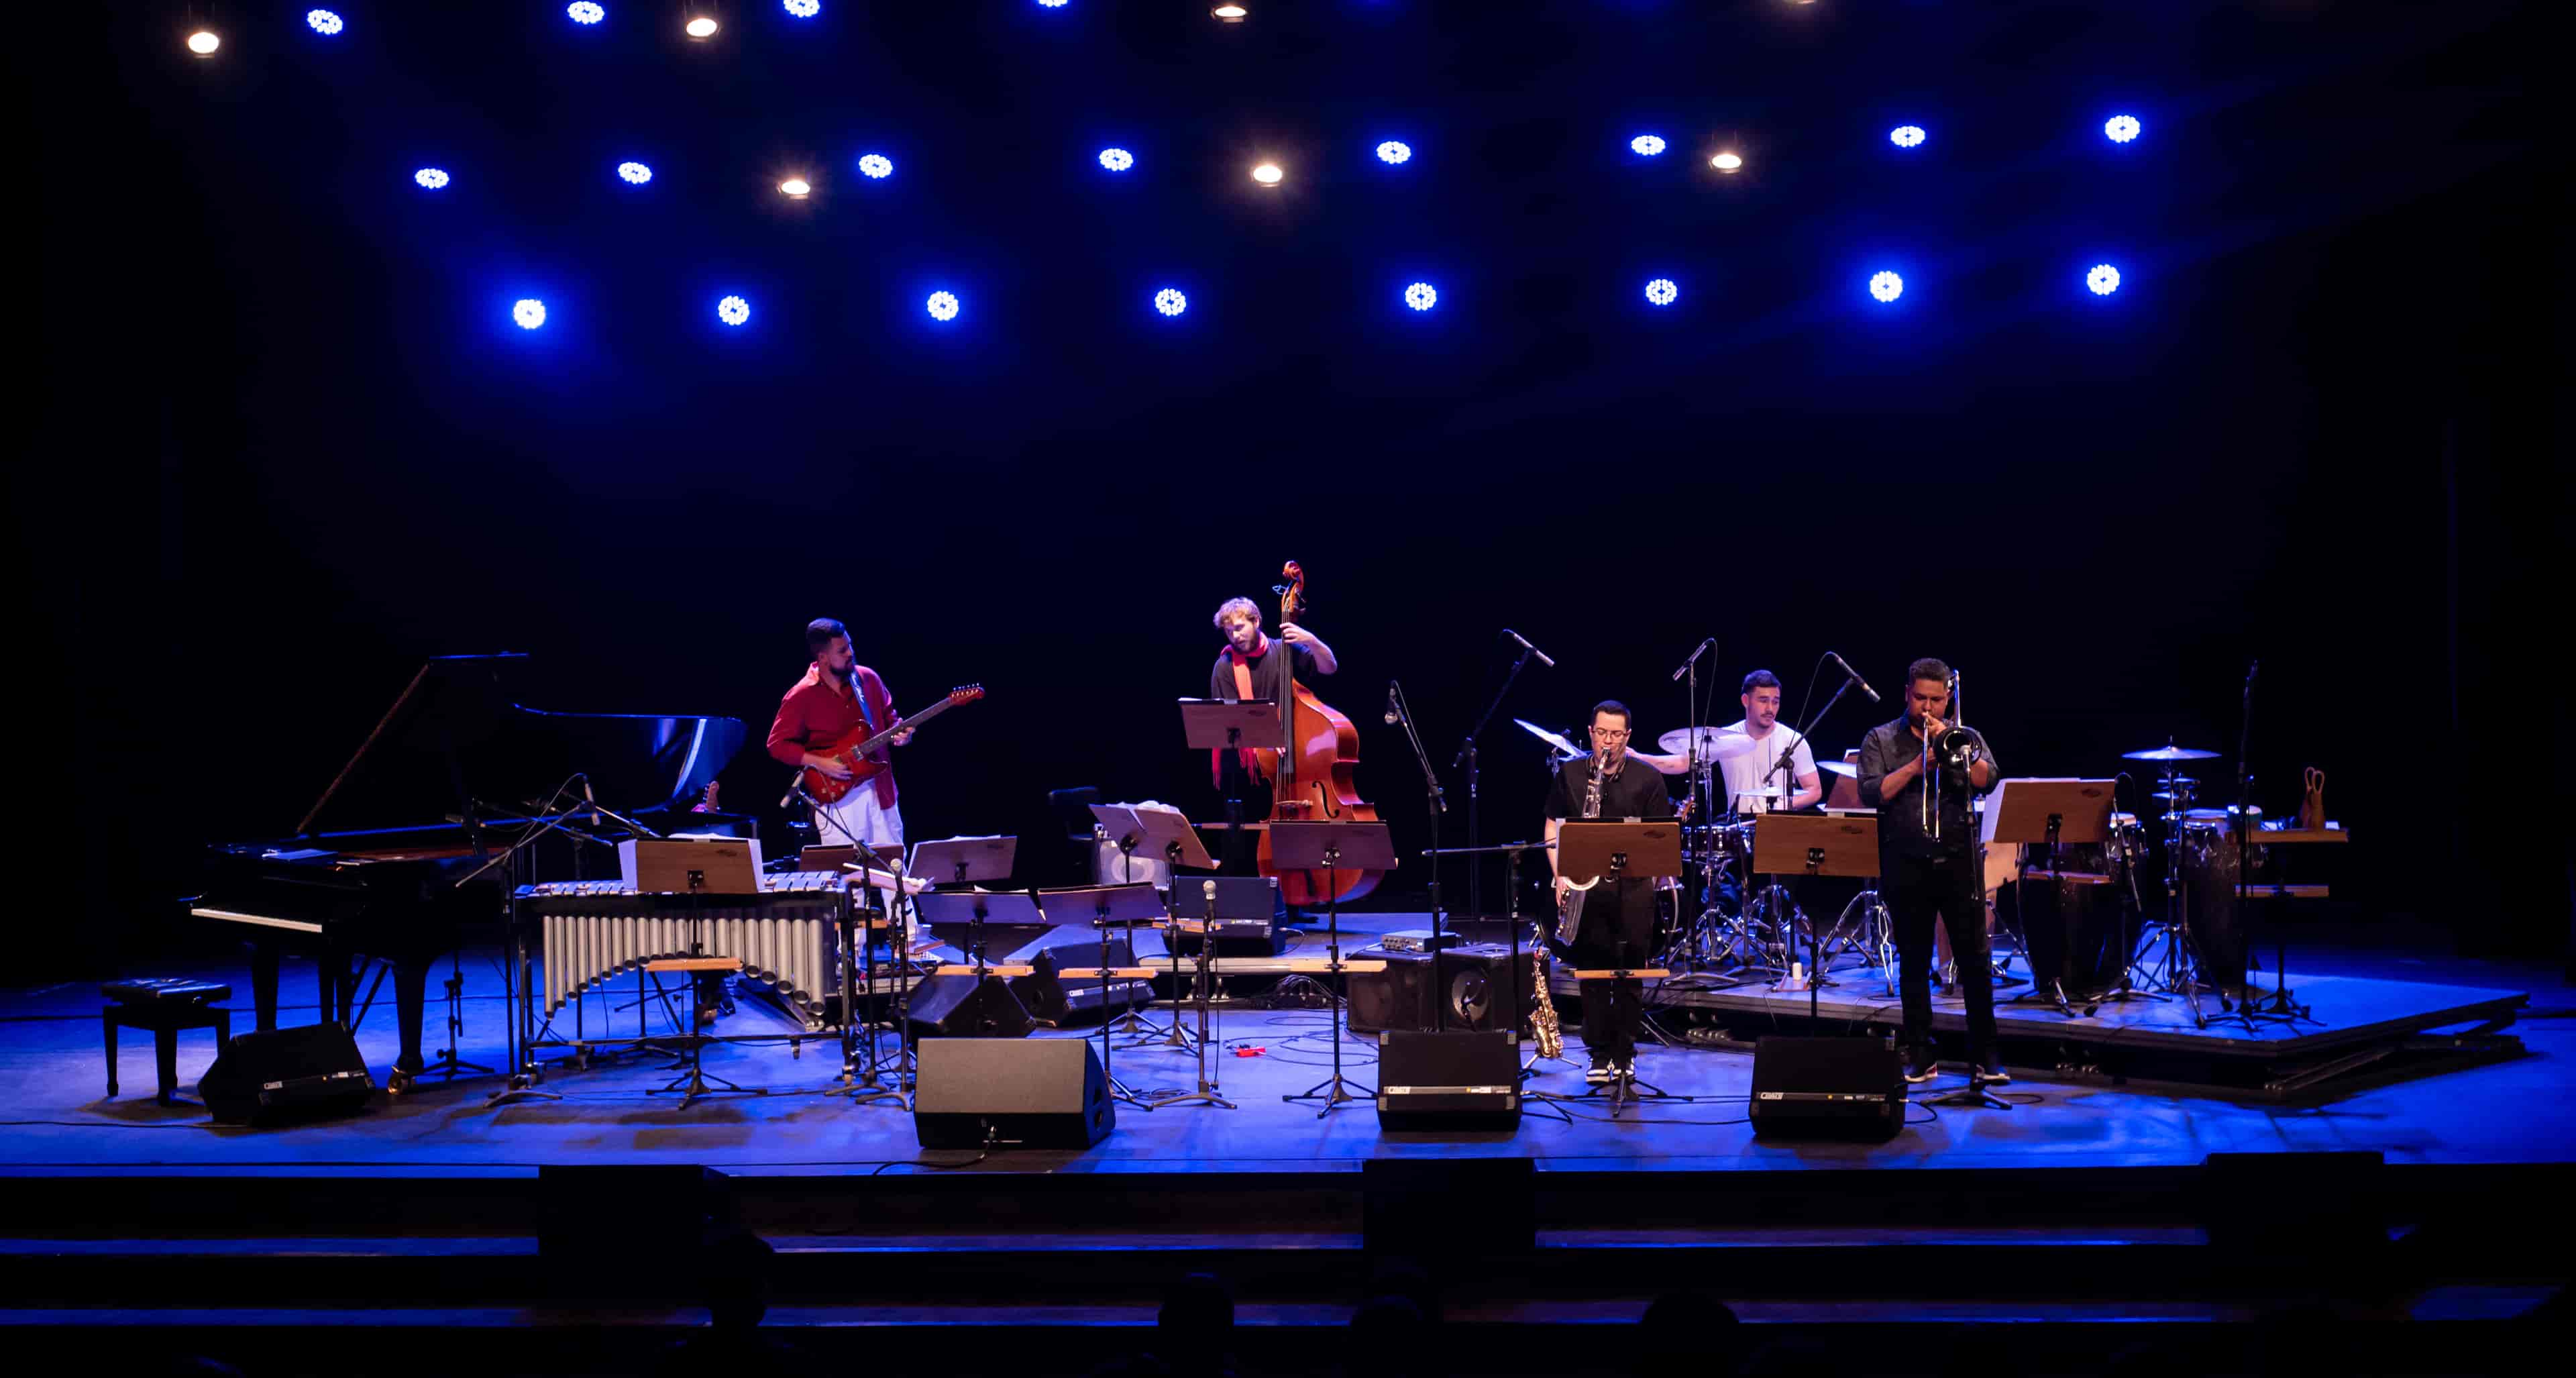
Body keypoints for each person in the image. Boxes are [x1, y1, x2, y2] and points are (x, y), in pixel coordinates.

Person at [1856, 658, 2003, 1083]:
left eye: (1936, 700)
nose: (1927, 708)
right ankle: (1920, 1050)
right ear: (1907, 694)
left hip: (1959, 862)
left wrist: (1950, 746)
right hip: (1905, 862)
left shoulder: (1965, 736)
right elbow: (1870, 793)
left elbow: (1988, 779)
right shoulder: (1881, 738)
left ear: (1948, 698)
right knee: (1914, 963)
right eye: (1920, 698)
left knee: (1975, 960)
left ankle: (1986, 1054)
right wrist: (1917, 767)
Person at [1545, 700, 1675, 1083]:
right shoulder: (1570, 775)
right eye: (1602, 733)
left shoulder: (1648, 779)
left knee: (1632, 972)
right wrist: (1562, 877)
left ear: (1628, 737)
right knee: (1593, 972)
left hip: (1634, 888)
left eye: (1616, 735)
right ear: (1590, 732)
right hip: (1586, 888)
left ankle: (1625, 1052)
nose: (1608, 742)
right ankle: (1599, 1055)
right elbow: (1552, 828)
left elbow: (1659, 839)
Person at [1205, 595, 1338, 871]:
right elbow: (1232, 719)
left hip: (1294, 758)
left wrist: (1311, 640)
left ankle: (1301, 893)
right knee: (1248, 839)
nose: (1235, 636)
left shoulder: (1283, 650)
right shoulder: (1225, 666)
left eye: (1240, 627)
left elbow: (1330, 667)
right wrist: (1265, 738)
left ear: (1257, 621)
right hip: (1247, 769)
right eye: (1229, 631)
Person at [767, 618, 910, 853]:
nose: (850, 653)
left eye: (850, 645)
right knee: (848, 882)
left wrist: (901, 734)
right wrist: (820, 762)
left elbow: (891, 720)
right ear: (822, 657)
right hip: (838, 799)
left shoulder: (868, 679)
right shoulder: (801, 695)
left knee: (895, 875)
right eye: (842, 650)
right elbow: (776, 744)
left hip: (881, 790)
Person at [1714, 670, 1823, 814]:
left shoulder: (1793, 740)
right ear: (1746, 701)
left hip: (1778, 825)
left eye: (1775, 702)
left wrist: (1784, 805)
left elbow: (1814, 790)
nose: (1770, 709)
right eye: (1763, 701)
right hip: (1738, 829)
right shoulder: (1725, 737)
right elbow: (1685, 762)